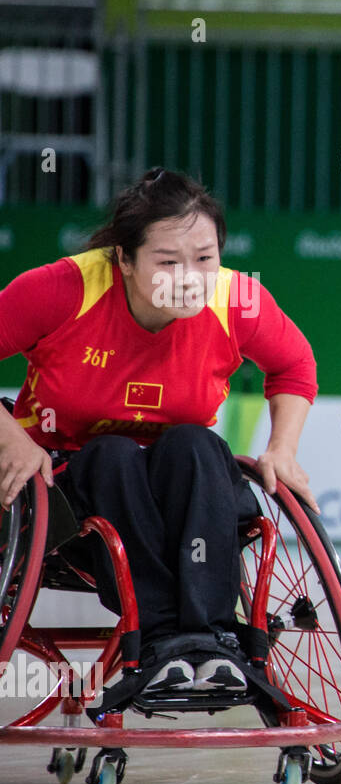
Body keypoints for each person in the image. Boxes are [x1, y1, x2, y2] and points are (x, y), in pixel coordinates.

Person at [0, 168, 319, 695]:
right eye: (167, 262)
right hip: (67, 496)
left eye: (205, 259)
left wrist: (282, 449)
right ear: (123, 260)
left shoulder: (236, 301)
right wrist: (12, 435)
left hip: (180, 493)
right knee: (113, 455)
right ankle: (158, 639)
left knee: (199, 445)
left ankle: (211, 639)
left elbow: (294, 366)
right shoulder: (63, 288)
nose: (189, 276)